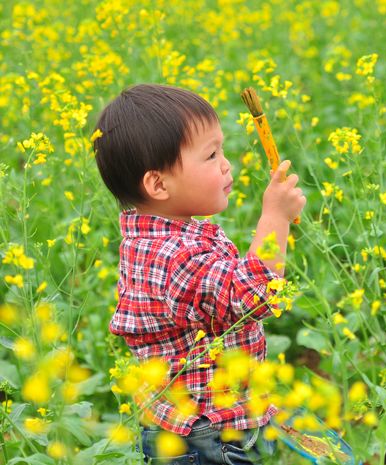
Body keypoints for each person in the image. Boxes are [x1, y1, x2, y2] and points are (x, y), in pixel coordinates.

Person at [93, 83, 306, 464]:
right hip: (205, 437)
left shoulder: (161, 234)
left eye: (221, 149)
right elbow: (251, 296)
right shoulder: (174, 255)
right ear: (158, 184)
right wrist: (275, 218)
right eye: (210, 155)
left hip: (205, 426)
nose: (226, 164)